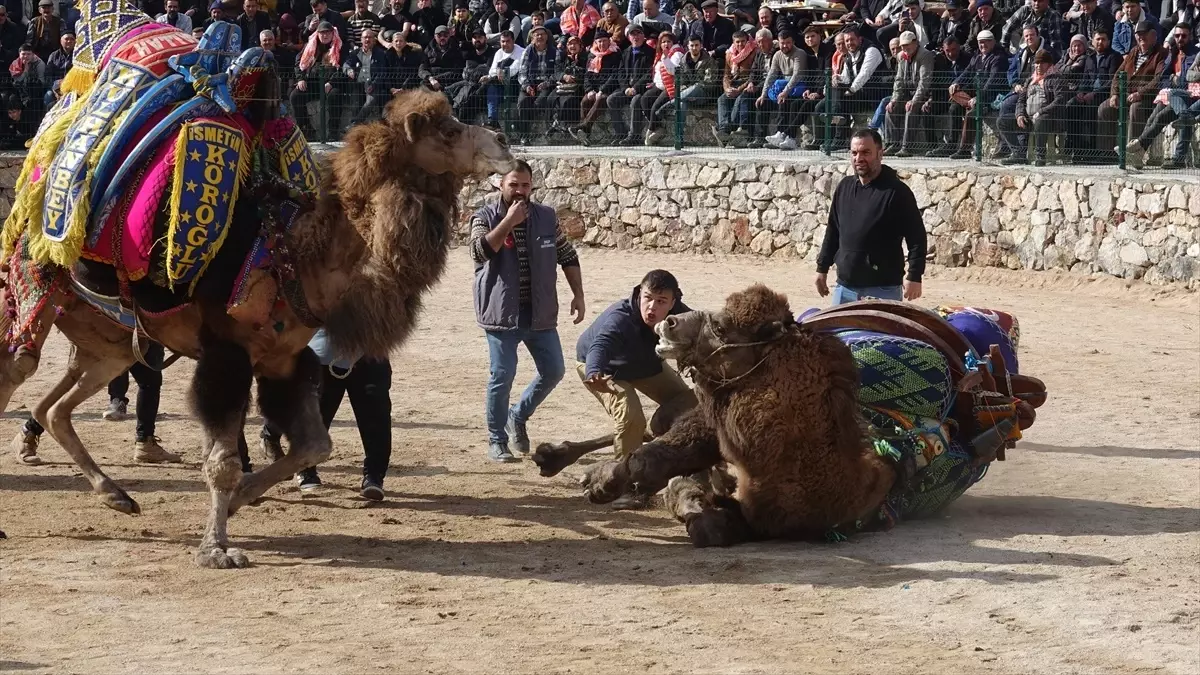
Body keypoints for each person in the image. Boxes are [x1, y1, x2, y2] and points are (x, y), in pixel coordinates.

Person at [469, 160, 585, 463]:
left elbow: (567, 254)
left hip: (540, 311)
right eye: (513, 185)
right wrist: (508, 221)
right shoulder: (484, 216)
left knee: (554, 370)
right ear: (500, 184)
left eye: (525, 185)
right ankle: (497, 440)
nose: (520, 191)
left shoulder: (546, 217)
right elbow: (478, 252)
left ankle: (517, 416)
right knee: (502, 375)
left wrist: (579, 295)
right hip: (500, 313)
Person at [575, 270, 697, 508]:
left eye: (661, 302)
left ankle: (678, 464)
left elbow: (707, 330)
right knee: (631, 416)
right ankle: (624, 486)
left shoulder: (681, 316)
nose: (651, 307)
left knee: (690, 406)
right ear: (639, 294)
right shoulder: (620, 318)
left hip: (645, 366)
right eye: (647, 298)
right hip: (603, 370)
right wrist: (593, 372)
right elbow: (599, 346)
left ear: (673, 303)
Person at [261, 328, 393, 500]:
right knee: (316, 414)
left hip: (370, 351)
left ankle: (374, 476)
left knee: (376, 415)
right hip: (323, 352)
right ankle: (305, 467)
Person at [11, 342, 181, 465]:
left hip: (143, 324)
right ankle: (28, 433)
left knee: (150, 380)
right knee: (78, 382)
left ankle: (146, 443)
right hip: (109, 326)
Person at [814, 128, 927, 307]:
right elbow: (833, 231)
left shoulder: (897, 192)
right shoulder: (844, 188)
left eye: (866, 152)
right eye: (854, 153)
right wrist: (822, 268)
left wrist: (914, 275)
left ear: (880, 154)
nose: (859, 158)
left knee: (881, 336)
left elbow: (917, 238)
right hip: (845, 288)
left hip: (883, 289)